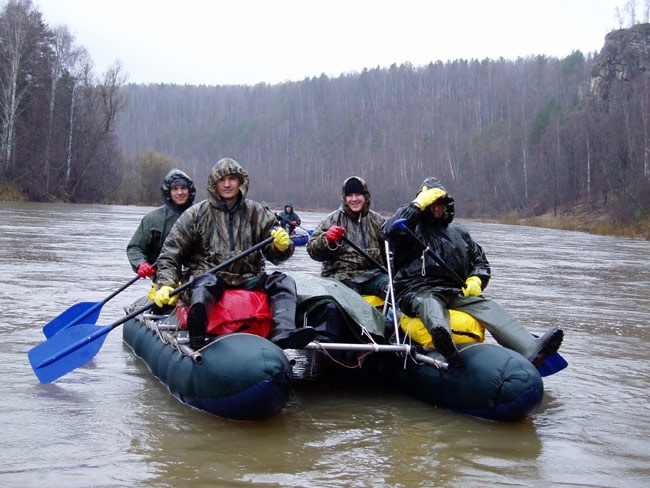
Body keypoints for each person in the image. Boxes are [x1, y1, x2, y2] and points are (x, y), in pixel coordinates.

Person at [383, 176, 563, 369]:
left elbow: (480, 261)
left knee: (488, 306)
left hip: (454, 291)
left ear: (446, 205)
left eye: (440, 204)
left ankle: (530, 347)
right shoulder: (409, 229)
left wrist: (477, 278)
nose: (436, 208)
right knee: (429, 305)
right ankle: (444, 341)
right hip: (417, 291)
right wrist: (416, 205)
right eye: (431, 204)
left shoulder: (459, 232)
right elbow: (388, 231)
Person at [152, 157, 316, 350]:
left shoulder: (257, 213)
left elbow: (277, 257)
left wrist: (282, 246)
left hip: (249, 278)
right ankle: (198, 328)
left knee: (283, 281)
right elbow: (170, 254)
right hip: (210, 277)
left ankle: (284, 332)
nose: (227, 184)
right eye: (222, 180)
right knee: (204, 282)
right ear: (214, 184)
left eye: (232, 179)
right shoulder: (196, 214)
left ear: (241, 182)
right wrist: (166, 284)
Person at [307, 176, 389, 298]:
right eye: (350, 195)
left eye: (358, 195)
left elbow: (391, 254)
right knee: (351, 297)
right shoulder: (331, 221)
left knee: (392, 287)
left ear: (365, 196)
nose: (354, 199)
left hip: (373, 276)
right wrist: (326, 239)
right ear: (344, 198)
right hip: (341, 278)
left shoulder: (378, 221)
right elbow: (312, 251)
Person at [126, 168, 196, 287]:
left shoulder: (202, 214)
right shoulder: (152, 219)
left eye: (183, 188)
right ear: (168, 192)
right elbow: (135, 248)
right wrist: (141, 264)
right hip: (163, 280)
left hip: (196, 278)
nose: (180, 193)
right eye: (175, 189)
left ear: (189, 190)